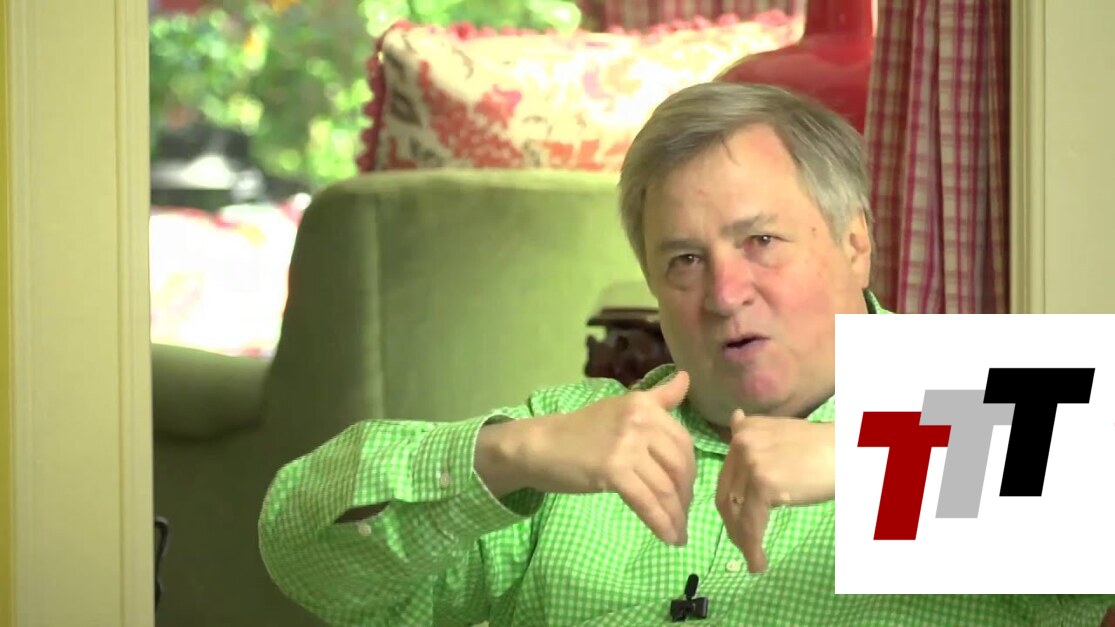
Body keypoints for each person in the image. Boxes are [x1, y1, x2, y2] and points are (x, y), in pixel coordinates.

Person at [257, 82, 1114, 626]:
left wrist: (870, 453)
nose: (725, 292)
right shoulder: (571, 443)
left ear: (854, 243)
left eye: (761, 240)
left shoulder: (982, 396)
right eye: (684, 260)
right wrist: (506, 453)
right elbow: (307, 557)